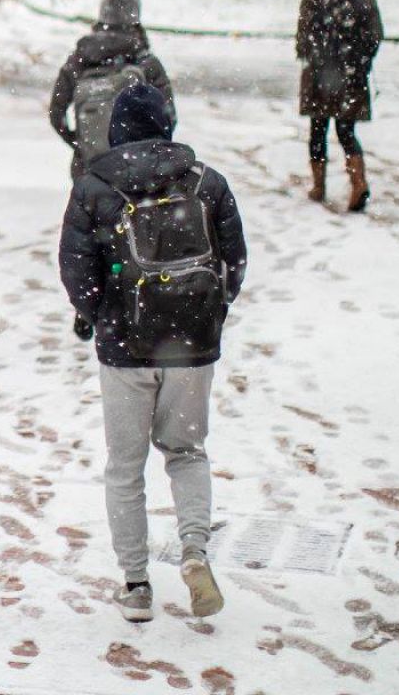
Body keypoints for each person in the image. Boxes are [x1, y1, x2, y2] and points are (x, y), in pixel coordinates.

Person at [58, 82, 247, 624]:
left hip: (125, 347)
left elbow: (77, 271)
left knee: (125, 466)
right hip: (191, 348)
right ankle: (193, 553)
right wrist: (208, 315)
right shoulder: (206, 182)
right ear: (168, 125)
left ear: (117, 130)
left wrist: (101, 318)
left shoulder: (94, 186)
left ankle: (137, 584)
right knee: (187, 453)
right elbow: (234, 260)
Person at [49, 0, 176, 183]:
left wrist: (81, 144)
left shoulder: (80, 59)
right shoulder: (146, 62)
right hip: (136, 170)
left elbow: (56, 112)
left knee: (87, 212)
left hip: (89, 169)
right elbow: (168, 117)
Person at [296, 0, 384, 211]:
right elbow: (375, 35)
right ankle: (358, 183)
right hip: (352, 75)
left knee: (318, 131)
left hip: (321, 77)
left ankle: (319, 185)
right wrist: (360, 62)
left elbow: (303, 38)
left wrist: (314, 57)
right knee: (347, 132)